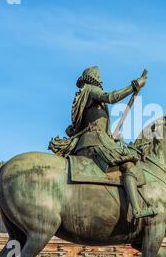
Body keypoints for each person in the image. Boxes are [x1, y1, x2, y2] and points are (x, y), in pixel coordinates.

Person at [66, 66, 157, 219]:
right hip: (94, 142)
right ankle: (136, 210)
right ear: (94, 78)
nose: (101, 80)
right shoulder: (92, 91)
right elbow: (111, 97)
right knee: (128, 165)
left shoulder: (85, 96)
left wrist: (112, 138)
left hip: (96, 140)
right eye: (99, 77)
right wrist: (134, 86)